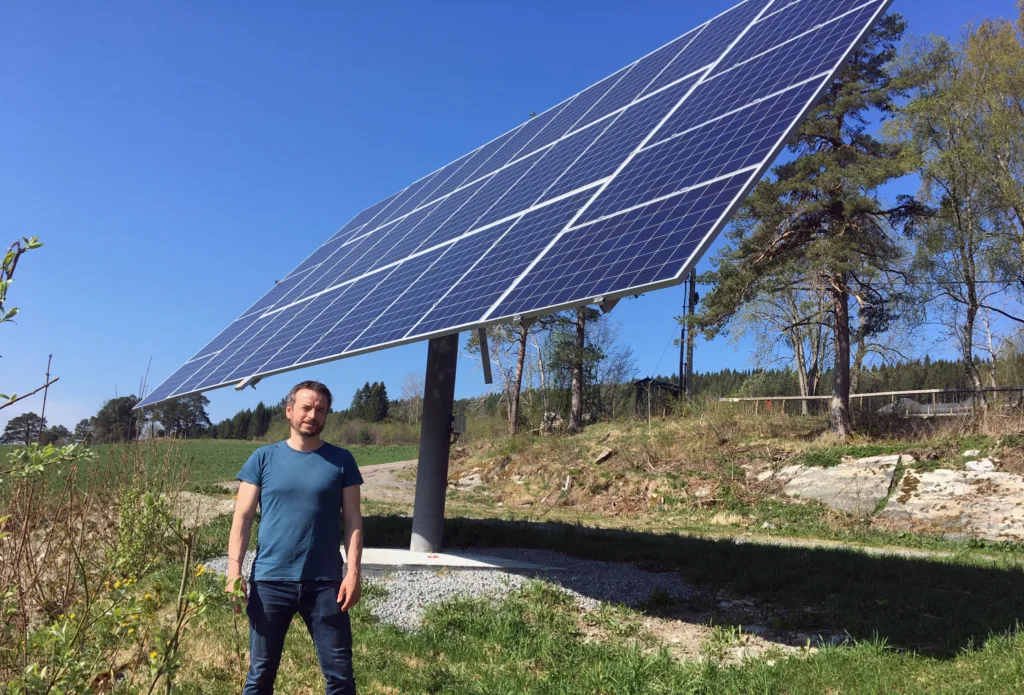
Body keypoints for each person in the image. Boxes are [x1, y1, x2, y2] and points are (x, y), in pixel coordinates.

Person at [226, 380, 363, 695]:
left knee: (341, 677)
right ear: (289, 411)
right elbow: (242, 518)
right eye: (306, 407)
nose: (312, 414)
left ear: (326, 416)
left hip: (327, 584)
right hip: (270, 582)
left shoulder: (342, 461)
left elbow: (354, 519)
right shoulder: (263, 458)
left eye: (320, 409)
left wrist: (353, 572)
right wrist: (234, 571)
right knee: (260, 676)